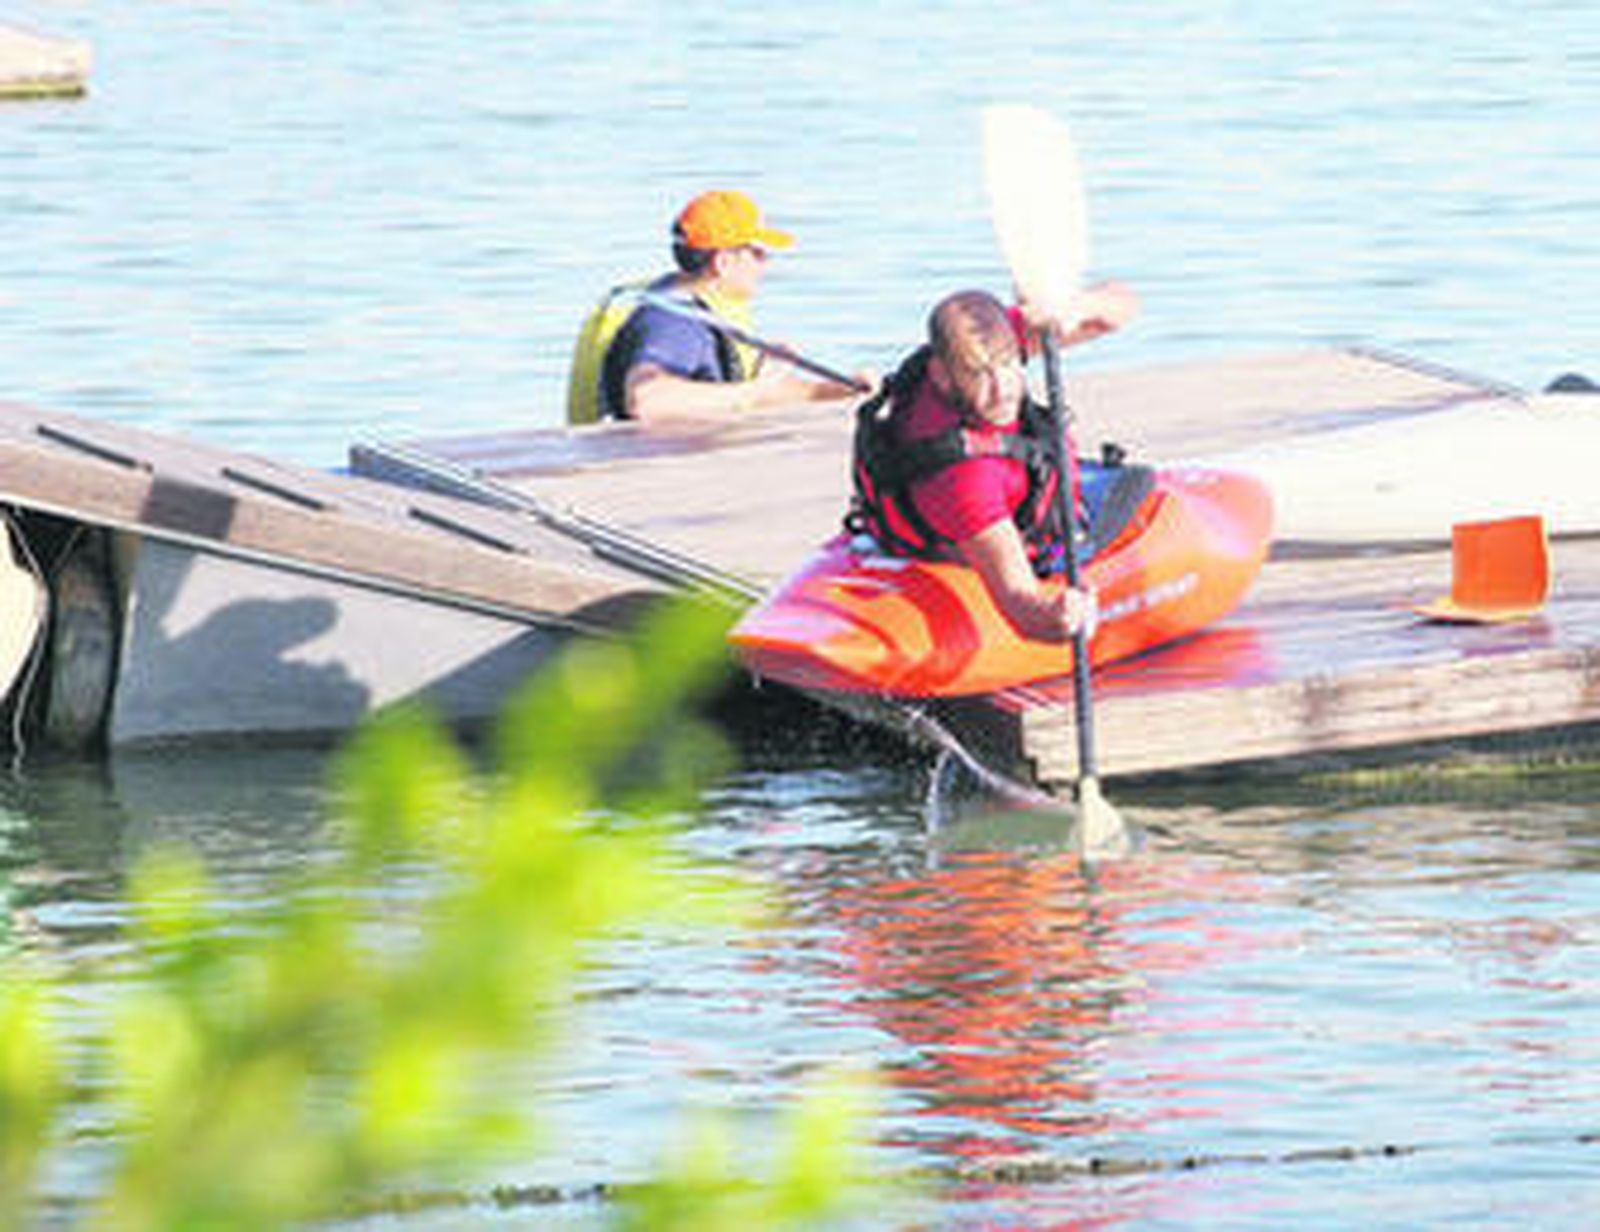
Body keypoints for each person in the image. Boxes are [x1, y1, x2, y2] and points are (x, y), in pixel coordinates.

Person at [847, 282, 1138, 642]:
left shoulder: (983, 342)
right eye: (978, 374)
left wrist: (1073, 308)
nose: (1002, 390)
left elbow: (1123, 305)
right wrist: (1057, 619)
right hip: (973, 535)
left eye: (1008, 364)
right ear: (941, 373)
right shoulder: (963, 479)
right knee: (1133, 493)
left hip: (1001, 492)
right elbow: (1020, 604)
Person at [566, 189, 866, 425]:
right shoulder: (676, 323)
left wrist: (842, 392)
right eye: (757, 253)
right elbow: (647, 400)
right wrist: (755, 391)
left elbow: (749, 394)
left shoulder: (690, 300)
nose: (765, 264)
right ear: (723, 262)